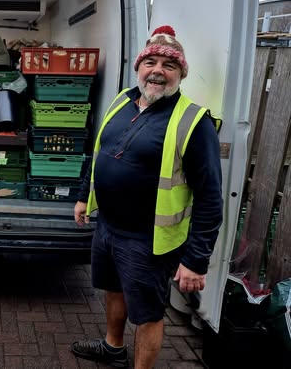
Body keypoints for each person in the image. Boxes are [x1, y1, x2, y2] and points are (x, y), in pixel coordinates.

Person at [70, 25, 222, 369]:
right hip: (108, 227)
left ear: (181, 73)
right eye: (150, 62)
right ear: (139, 68)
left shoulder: (193, 122)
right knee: (113, 289)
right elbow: (98, 152)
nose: (157, 71)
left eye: (168, 66)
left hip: (148, 241)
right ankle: (112, 348)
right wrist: (84, 196)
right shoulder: (122, 101)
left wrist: (196, 260)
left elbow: (210, 198)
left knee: (148, 314)